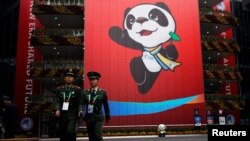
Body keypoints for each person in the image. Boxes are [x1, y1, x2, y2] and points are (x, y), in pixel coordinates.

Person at [54, 68, 82, 141]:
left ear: (73, 79)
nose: (69, 77)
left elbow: (79, 102)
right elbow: (57, 101)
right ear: (64, 78)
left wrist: (80, 110)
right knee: (62, 134)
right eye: (67, 76)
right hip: (62, 114)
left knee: (70, 131)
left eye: (71, 76)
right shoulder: (59, 89)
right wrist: (57, 109)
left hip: (72, 114)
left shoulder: (77, 89)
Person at [83, 71, 110, 141]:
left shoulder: (102, 92)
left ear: (97, 80)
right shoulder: (85, 92)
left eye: (94, 79)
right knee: (91, 136)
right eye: (90, 79)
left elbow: (106, 104)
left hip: (98, 116)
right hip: (89, 117)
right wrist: (80, 111)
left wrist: (107, 115)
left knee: (97, 135)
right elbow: (82, 104)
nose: (92, 81)